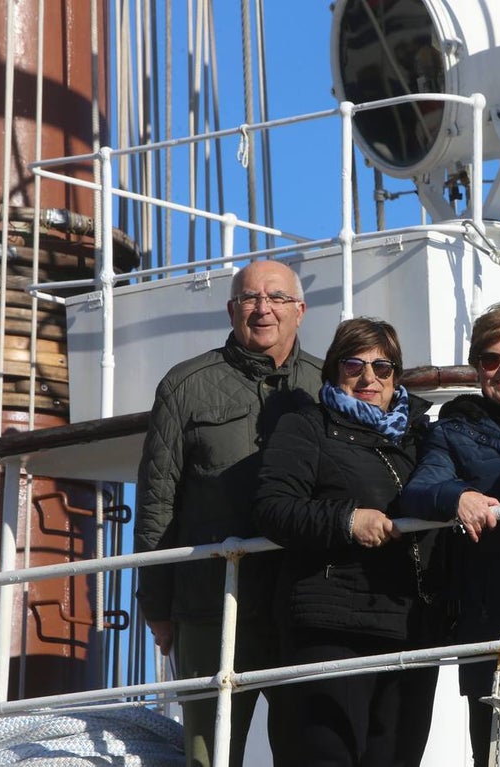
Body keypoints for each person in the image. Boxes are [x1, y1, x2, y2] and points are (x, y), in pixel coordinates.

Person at [133, 259, 322, 767]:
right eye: (250, 299)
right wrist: (157, 607)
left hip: (299, 607)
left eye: (277, 298)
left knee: (307, 750)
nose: (263, 309)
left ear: (299, 310)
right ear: (231, 310)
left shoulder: (327, 386)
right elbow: (156, 504)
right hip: (208, 608)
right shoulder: (185, 386)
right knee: (207, 756)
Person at [253, 317, 439, 767]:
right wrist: (347, 521)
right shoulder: (308, 426)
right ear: (335, 369)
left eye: (383, 367)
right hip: (331, 626)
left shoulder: (422, 438)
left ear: (397, 376)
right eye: (355, 365)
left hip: (412, 629)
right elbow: (272, 507)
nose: (369, 377)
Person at [400, 300, 500, 767]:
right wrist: (455, 496)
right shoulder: (453, 429)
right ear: (476, 367)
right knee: (494, 748)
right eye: (491, 359)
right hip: (489, 610)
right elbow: (418, 492)